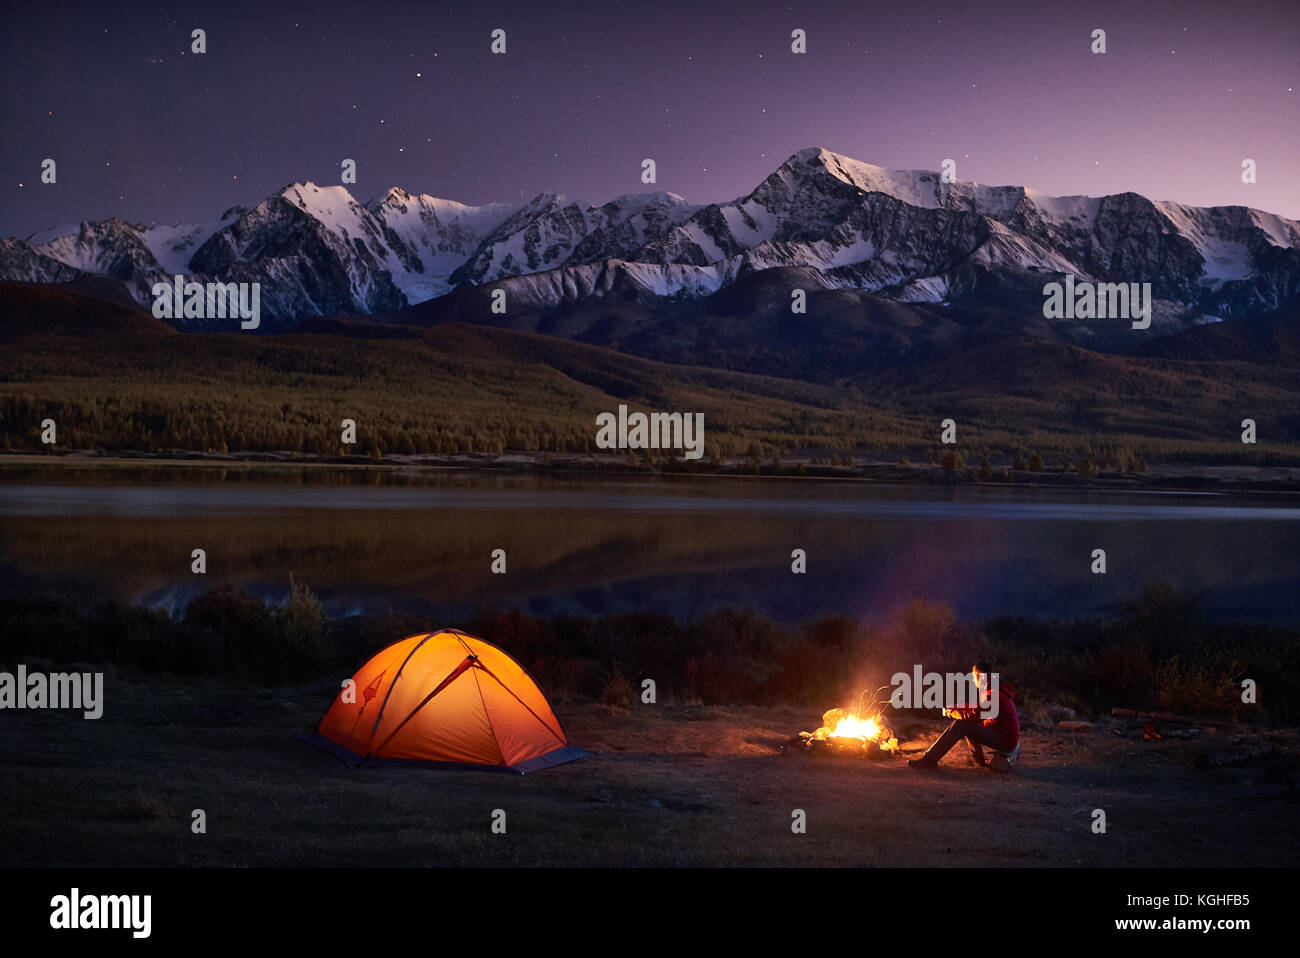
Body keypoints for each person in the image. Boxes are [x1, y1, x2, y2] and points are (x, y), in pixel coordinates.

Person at [907, 663, 1019, 770]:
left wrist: (952, 713)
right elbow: (978, 709)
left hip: (1006, 741)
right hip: (1006, 737)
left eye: (973, 676)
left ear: (980, 677)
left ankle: (929, 760)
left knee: (962, 725)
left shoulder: (995, 694)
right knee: (969, 724)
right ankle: (977, 759)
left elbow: (972, 718)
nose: (973, 680)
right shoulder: (994, 689)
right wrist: (956, 707)